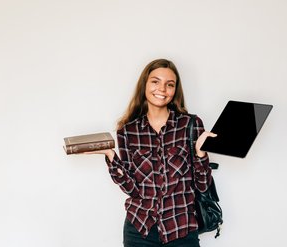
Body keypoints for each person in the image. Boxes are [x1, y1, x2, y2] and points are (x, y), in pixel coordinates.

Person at [87, 58, 216, 246]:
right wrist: (111, 157)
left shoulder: (190, 125)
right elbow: (132, 189)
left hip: (181, 228)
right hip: (140, 230)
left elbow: (202, 186)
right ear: (145, 85)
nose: (162, 89)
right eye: (155, 81)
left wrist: (200, 154)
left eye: (169, 84)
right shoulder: (127, 130)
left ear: (175, 90)